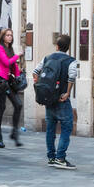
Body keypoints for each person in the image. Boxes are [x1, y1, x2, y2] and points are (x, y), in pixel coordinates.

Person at [37, 33, 78, 169]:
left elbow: (35, 72)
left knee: (50, 129)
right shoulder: (71, 61)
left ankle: (51, 157)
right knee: (66, 127)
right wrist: (67, 93)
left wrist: (44, 89)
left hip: (49, 99)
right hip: (61, 99)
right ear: (68, 47)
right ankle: (60, 158)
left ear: (57, 46)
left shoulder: (47, 58)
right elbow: (71, 77)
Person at [0, 27, 24, 148]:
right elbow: (6, 63)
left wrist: (17, 76)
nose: (9, 37)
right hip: (1, 81)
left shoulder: (10, 48)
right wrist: (18, 55)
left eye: (11, 35)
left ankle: (15, 133)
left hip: (9, 82)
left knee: (18, 104)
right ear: (2, 36)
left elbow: (13, 66)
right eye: (7, 35)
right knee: (1, 108)